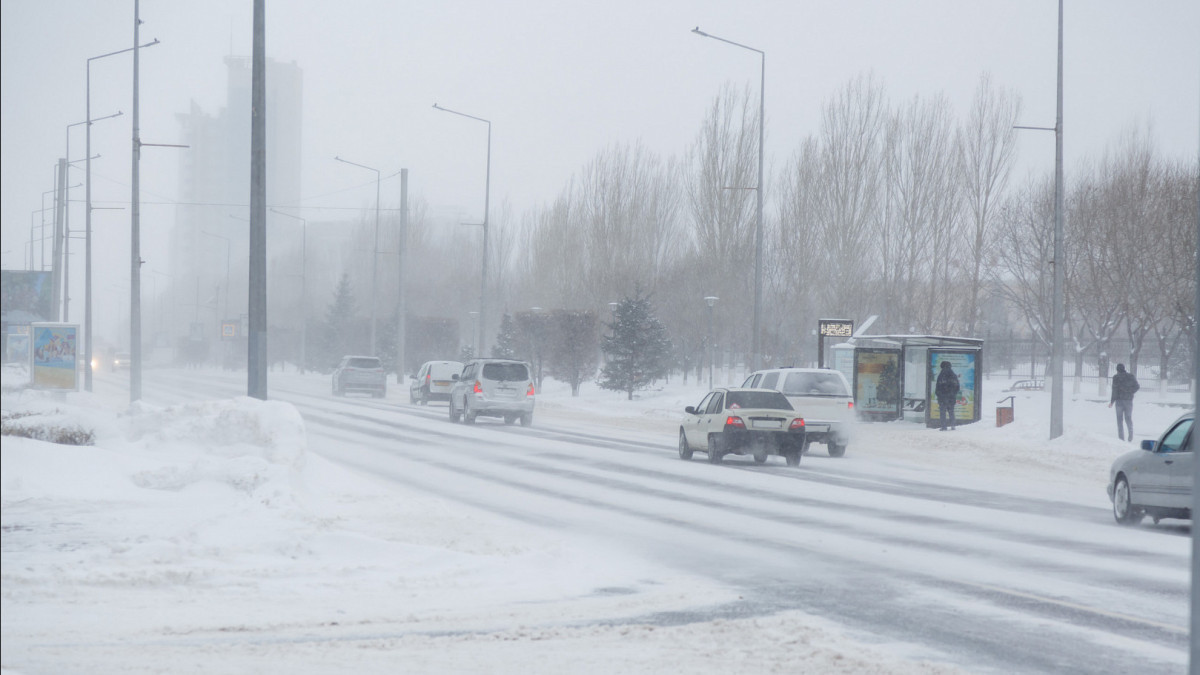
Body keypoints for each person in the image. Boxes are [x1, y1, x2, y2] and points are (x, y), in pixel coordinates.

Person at [1108, 363, 1140, 442]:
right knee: (1128, 418)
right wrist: (1130, 392)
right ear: (1124, 368)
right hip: (1128, 401)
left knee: (1119, 420)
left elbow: (1114, 390)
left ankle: (1121, 438)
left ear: (1117, 370)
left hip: (1119, 401)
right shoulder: (1130, 376)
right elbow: (1137, 386)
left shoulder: (1116, 377)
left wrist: (1112, 401)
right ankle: (1130, 434)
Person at [935, 360, 960, 431]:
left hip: (942, 397)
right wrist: (953, 393)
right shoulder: (953, 375)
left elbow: (938, 386)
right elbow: (957, 386)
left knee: (942, 412)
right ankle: (953, 425)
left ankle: (943, 426)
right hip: (951, 397)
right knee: (951, 411)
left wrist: (939, 395)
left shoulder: (941, 375)